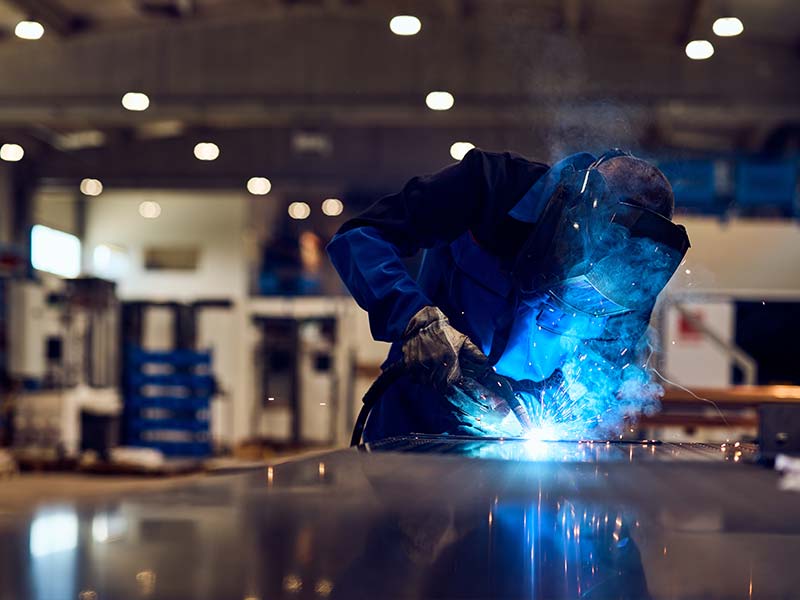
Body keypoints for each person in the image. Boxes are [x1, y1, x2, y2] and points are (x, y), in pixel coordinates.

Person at [327, 148, 690, 442]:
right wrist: (413, 318)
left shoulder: (637, 272)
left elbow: (607, 368)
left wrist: (553, 406)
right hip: (419, 410)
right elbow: (358, 239)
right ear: (571, 215)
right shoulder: (488, 188)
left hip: (515, 434)